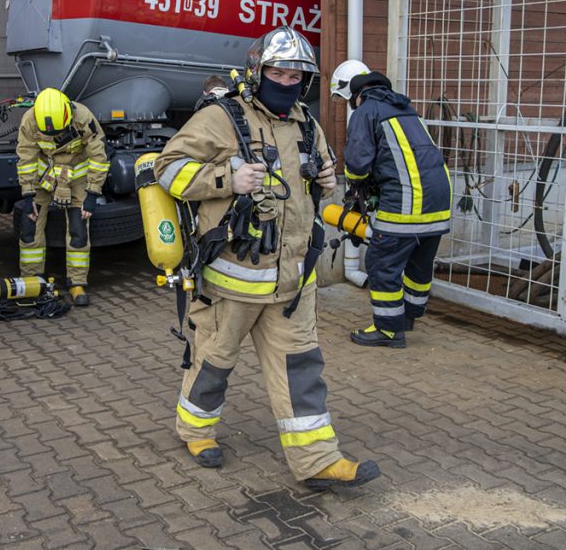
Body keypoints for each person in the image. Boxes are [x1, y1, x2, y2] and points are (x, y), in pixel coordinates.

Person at [154, 26, 380, 491]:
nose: (287, 83)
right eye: (278, 73)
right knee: (214, 361)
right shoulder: (221, 117)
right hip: (232, 283)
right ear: (258, 73)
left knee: (301, 370)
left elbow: (315, 173)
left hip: (293, 283)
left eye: (296, 76)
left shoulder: (305, 122)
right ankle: (195, 430)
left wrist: (326, 179)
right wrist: (226, 179)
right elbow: (167, 168)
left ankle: (318, 460)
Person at [331, 61, 452, 348]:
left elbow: (357, 164)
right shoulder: (405, 108)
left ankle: (388, 330)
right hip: (439, 202)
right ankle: (407, 316)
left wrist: (356, 186)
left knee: (382, 263)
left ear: (352, 92)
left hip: (406, 204)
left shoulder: (366, 111)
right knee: (419, 264)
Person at [16, 87, 110, 306]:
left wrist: (92, 193)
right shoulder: (30, 120)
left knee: (79, 228)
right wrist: (28, 194)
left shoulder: (83, 117)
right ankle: (31, 281)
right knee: (30, 227)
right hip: (44, 177)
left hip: (76, 176)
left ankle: (77, 282)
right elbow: (26, 158)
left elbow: (98, 155)